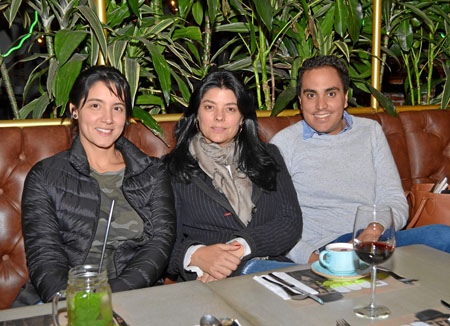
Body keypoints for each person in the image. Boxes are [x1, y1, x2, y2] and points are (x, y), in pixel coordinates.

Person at [15, 66, 176, 305]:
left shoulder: (152, 172)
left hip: (136, 296)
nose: (108, 119)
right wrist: (75, 302)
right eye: (95, 105)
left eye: (117, 108)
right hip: (63, 300)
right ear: (75, 110)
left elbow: (159, 245)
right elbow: (45, 257)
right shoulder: (45, 176)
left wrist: (108, 298)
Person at [270, 55, 450, 264]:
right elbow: (273, 219)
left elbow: (393, 199)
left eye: (331, 93)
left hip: (375, 238)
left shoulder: (370, 131)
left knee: (442, 236)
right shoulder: (284, 143)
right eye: (311, 95)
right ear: (300, 101)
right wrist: (314, 260)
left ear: (345, 97)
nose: (321, 105)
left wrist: (375, 229)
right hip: (327, 247)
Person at [165, 71, 302, 282]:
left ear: (242, 118)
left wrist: (237, 250)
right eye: (209, 107)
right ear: (197, 114)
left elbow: (290, 222)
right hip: (207, 282)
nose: (219, 117)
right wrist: (197, 256)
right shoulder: (171, 168)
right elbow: (161, 241)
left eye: (230, 109)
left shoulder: (268, 156)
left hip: (269, 272)